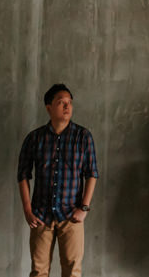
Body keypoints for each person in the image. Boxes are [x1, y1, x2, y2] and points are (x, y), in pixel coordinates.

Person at [18, 84, 98, 277]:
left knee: (72, 271)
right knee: (38, 271)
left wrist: (84, 208)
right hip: (41, 216)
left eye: (69, 102)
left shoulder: (83, 136)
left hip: (71, 216)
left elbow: (92, 173)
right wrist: (28, 210)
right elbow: (22, 175)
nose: (67, 107)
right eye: (61, 102)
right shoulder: (35, 138)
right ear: (48, 107)